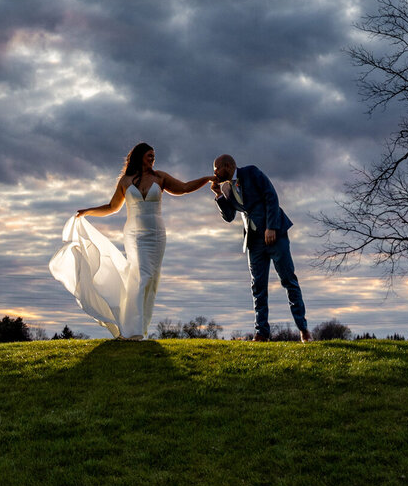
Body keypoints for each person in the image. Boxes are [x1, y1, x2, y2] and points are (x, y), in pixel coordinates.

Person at [50, 142, 209, 339]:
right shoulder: (125, 181)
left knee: (150, 279)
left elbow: (184, 188)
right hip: (134, 235)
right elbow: (112, 207)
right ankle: (133, 330)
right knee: (141, 277)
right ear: (139, 156)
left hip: (157, 234)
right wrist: (88, 212)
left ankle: (139, 328)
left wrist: (207, 179)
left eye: (154, 156)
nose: (153, 159)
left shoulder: (160, 177)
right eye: (149, 155)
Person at [212, 153, 311, 342]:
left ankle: (303, 329)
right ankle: (261, 333)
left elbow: (271, 196)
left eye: (216, 168)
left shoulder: (251, 172)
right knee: (257, 286)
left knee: (289, 280)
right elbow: (230, 216)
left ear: (227, 165)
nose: (214, 173)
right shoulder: (226, 188)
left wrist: (271, 227)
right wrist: (218, 196)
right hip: (253, 241)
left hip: (275, 234)